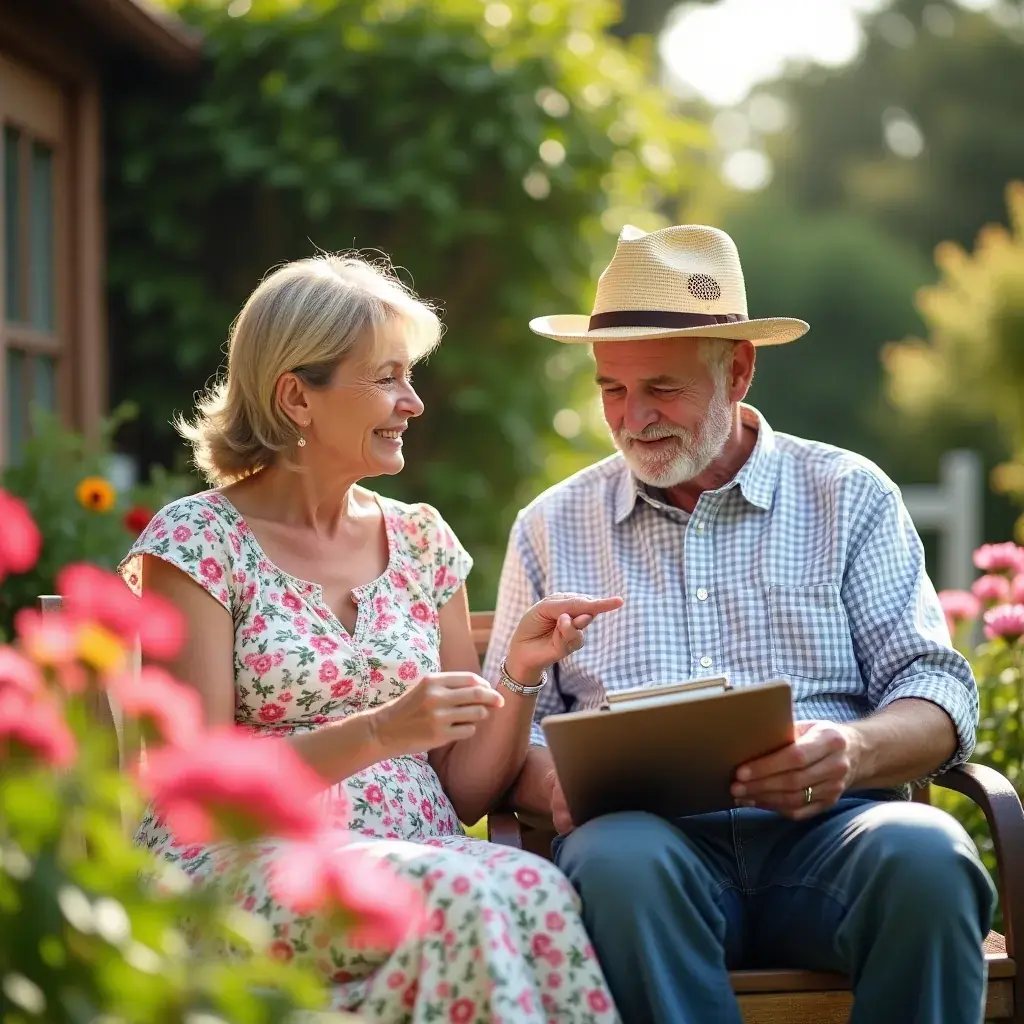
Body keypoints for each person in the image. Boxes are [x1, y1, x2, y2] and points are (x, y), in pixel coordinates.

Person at [483, 223, 997, 1024]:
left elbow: (936, 689)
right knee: (617, 863)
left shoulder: (849, 494)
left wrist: (853, 749)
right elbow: (520, 734)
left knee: (929, 856)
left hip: (834, 836)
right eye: (612, 389)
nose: (633, 418)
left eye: (663, 388)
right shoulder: (551, 525)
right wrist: (557, 785)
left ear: (739, 370)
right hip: (649, 853)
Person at [119, 253, 623, 1023]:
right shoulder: (198, 541)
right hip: (243, 865)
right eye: (387, 378)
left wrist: (517, 671)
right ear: (297, 396)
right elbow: (204, 789)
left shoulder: (422, 542)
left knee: (537, 888)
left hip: (417, 849)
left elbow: (462, 791)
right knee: (455, 898)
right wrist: (383, 730)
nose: (413, 402)